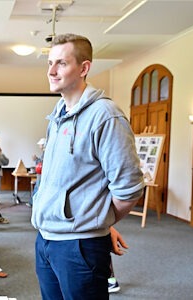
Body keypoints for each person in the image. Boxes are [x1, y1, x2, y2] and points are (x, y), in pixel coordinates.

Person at [31, 33, 145, 300]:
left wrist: (97, 222)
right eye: (49, 63)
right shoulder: (57, 115)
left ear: (84, 68)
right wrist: (96, 217)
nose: (51, 71)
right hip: (46, 240)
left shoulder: (106, 115)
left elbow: (128, 189)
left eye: (61, 63)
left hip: (78, 246)